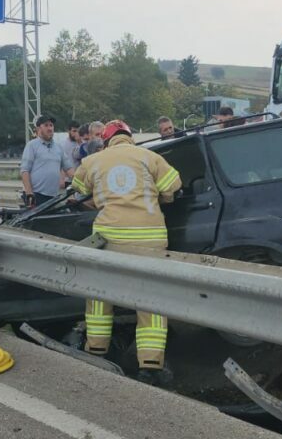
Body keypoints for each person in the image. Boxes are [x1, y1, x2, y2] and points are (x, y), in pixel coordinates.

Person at [71, 120, 182, 385]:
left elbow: (78, 190)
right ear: (129, 137)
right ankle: (150, 366)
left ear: (107, 139)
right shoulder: (150, 157)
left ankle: (96, 350)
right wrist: (160, 197)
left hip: (110, 238)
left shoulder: (94, 160)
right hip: (149, 238)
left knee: (99, 293)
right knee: (151, 301)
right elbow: (173, 186)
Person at [20, 114, 75, 207]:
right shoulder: (31, 146)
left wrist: (83, 184)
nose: (50, 128)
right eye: (46, 125)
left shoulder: (58, 148)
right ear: (38, 129)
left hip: (53, 196)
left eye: (51, 125)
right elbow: (25, 171)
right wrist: (29, 193)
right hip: (36, 195)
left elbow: (69, 169)